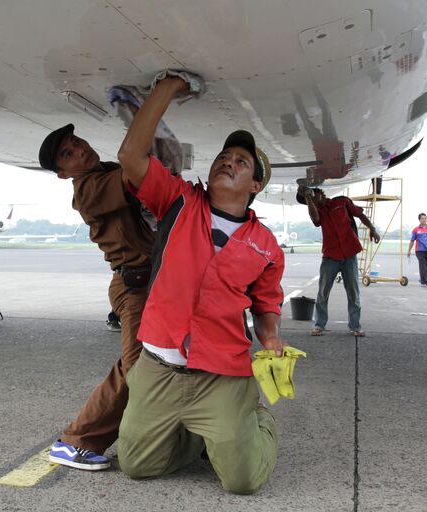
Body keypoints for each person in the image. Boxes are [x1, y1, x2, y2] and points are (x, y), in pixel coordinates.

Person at [116, 71, 287, 495]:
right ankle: (199, 434)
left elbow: (266, 306)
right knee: (136, 465)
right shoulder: (178, 202)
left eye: (241, 162)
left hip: (222, 375)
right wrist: (167, 89)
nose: (229, 161)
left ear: (256, 186)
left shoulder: (266, 247)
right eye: (224, 157)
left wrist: (270, 339)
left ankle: (253, 418)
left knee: (243, 481)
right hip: (159, 368)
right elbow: (131, 154)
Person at [38, 124, 155, 470]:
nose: (79, 150)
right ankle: (75, 441)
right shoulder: (89, 188)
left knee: (162, 360)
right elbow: (135, 175)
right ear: (63, 173)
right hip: (133, 289)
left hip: (151, 284)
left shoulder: (105, 173)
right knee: (136, 370)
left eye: (76, 142)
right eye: (68, 154)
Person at [297, 186, 380, 337]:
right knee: (323, 293)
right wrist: (308, 198)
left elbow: (360, 214)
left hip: (349, 255)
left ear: (321, 193)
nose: (312, 201)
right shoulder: (318, 212)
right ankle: (319, 325)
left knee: (353, 293)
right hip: (330, 256)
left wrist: (372, 228)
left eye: (313, 196)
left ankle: (355, 326)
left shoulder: (342, 202)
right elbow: (315, 220)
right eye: (309, 200)